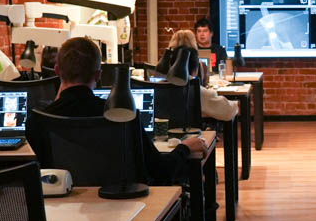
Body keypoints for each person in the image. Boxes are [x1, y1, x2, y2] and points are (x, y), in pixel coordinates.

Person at [26, 37, 206, 185]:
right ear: (98, 75)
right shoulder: (123, 115)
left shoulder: (37, 120)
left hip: (63, 210)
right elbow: (160, 171)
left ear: (57, 71)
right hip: (121, 206)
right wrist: (184, 148)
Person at [165, 29, 239, 122]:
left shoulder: (156, 89)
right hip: (192, 131)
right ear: (196, 69)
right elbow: (229, 112)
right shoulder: (197, 92)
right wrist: (236, 104)